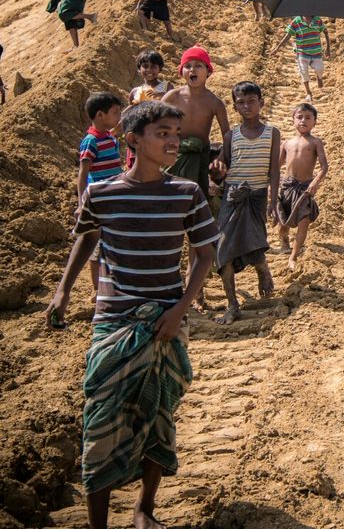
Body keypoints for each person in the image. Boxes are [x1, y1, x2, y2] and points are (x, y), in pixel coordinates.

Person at [45, 100, 217, 529]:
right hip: (113, 320)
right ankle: (98, 522)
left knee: (159, 412)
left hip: (163, 320)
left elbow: (204, 254)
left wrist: (179, 310)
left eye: (176, 133)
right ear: (133, 140)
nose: (174, 141)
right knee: (100, 416)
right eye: (163, 133)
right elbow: (85, 239)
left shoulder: (186, 193)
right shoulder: (101, 194)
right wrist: (63, 290)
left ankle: (145, 508)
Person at [162, 45, 230, 298]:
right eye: (188, 66)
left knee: (195, 225)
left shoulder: (214, 103)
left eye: (198, 66)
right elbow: (155, 127)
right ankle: (168, 279)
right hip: (173, 164)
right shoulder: (171, 98)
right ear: (181, 71)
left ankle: (195, 285)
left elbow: (227, 138)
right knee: (169, 224)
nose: (193, 70)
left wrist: (220, 161)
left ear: (208, 71)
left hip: (200, 166)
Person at [209, 81, 279, 325]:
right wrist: (215, 172)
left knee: (255, 245)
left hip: (257, 197)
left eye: (252, 101)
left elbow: (274, 172)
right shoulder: (231, 136)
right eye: (241, 102)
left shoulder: (272, 134)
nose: (247, 106)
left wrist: (272, 200)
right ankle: (232, 304)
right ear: (235, 107)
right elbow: (221, 169)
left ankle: (263, 270)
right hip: (232, 197)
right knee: (223, 251)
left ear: (261, 102)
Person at [78, 92, 125, 291]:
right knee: (96, 245)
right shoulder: (91, 141)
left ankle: (113, 283)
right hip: (99, 200)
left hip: (114, 197)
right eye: (115, 112)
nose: (118, 116)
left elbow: (117, 130)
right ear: (100, 115)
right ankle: (97, 290)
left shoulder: (108, 137)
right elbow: (83, 174)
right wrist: (82, 204)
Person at [276, 102, 328, 269]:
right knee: (283, 223)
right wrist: (272, 182)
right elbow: (276, 166)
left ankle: (294, 255)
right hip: (288, 186)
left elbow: (324, 167)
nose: (303, 121)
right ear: (293, 120)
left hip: (304, 189)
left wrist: (315, 182)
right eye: (299, 117)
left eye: (308, 117)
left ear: (315, 122)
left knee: (303, 221)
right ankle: (284, 239)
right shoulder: (286, 143)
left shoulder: (315, 142)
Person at [272, 15, 331, 101]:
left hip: (316, 52)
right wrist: (277, 48)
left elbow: (325, 32)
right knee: (304, 72)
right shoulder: (296, 21)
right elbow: (288, 36)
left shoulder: (317, 20)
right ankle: (308, 93)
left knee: (320, 69)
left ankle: (319, 77)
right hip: (302, 52)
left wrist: (328, 48)